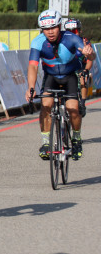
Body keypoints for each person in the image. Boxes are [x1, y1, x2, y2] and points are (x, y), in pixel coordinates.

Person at [25, 9, 96, 160]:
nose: (50, 32)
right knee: (46, 105)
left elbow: (90, 55)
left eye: (53, 27)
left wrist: (89, 53)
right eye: (46, 29)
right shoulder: (38, 42)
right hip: (51, 77)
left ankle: (76, 138)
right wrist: (31, 87)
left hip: (70, 76)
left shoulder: (71, 38)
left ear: (59, 26)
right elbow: (33, 66)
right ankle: (46, 143)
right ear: (42, 29)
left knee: (73, 109)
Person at [63, 18, 93, 117]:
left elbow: (90, 60)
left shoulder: (85, 42)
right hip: (66, 67)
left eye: (74, 30)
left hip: (80, 66)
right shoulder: (62, 41)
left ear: (80, 31)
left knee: (82, 78)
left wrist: (86, 70)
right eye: (69, 31)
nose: (72, 33)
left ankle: (82, 104)